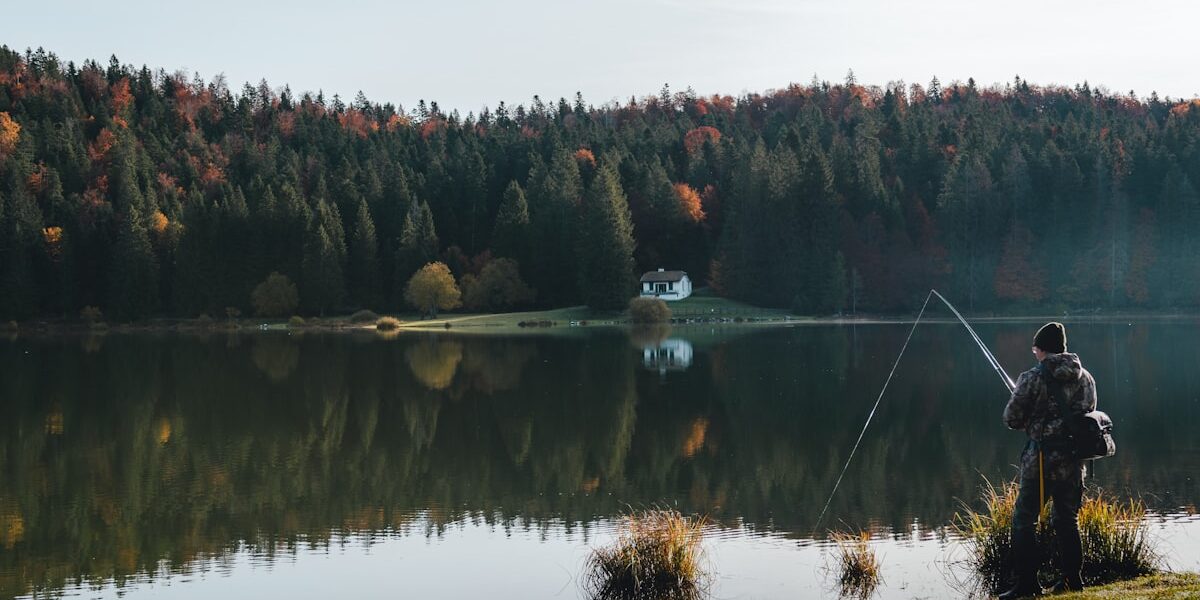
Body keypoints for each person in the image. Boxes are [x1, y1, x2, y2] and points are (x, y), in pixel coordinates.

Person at [999, 322, 1097, 598]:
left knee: (1024, 521)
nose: (1035, 354)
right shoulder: (1085, 377)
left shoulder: (1032, 377)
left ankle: (1028, 584)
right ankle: (1071, 580)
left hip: (1040, 461)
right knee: (1067, 519)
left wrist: (1031, 416)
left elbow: (1011, 419)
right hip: (1074, 461)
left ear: (1042, 349)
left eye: (1035, 349)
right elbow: (1088, 412)